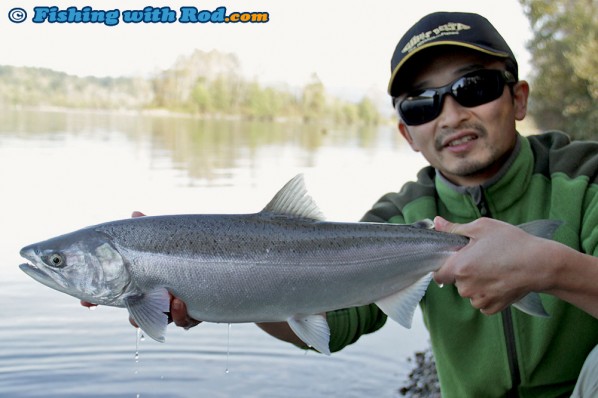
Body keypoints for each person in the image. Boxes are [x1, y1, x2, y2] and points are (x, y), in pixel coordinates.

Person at [84, 11, 598, 398]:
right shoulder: (398, 217)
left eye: (474, 86)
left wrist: (551, 269)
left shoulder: (587, 178)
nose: (450, 114)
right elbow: (335, 327)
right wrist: (232, 290)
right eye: (422, 102)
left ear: (520, 98)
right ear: (405, 132)